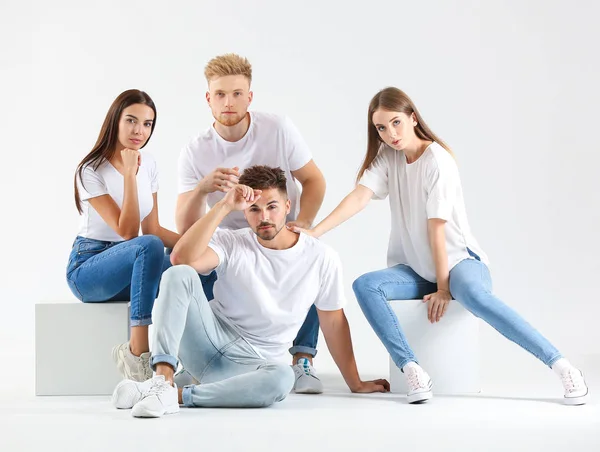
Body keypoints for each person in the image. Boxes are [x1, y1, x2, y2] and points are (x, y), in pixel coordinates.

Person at [292, 87, 590, 406]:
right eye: (381, 127)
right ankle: (412, 369)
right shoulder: (388, 158)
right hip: (418, 269)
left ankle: (561, 366)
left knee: (474, 295)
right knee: (366, 286)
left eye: (396, 123)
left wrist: (445, 288)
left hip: (459, 263)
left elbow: (437, 228)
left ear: (412, 118)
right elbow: (359, 197)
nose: (390, 133)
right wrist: (316, 232)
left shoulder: (438, 161)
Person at [111, 165, 389, 417]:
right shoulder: (232, 242)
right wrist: (222, 206)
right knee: (179, 274)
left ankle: (176, 395)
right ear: (244, 211)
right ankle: (162, 380)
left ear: (288, 205)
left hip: (250, 364)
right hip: (207, 340)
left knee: (281, 378)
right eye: (254, 209)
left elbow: (334, 323)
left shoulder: (321, 257)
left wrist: (355, 382)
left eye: (272, 207)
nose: (264, 217)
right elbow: (180, 259)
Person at [175, 53, 327, 393]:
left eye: (237, 93)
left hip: (277, 233)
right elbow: (184, 226)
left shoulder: (278, 128)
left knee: (312, 256)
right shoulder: (195, 151)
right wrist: (203, 189)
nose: (228, 102)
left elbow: (314, 180)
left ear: (250, 96)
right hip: (229, 244)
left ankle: (302, 358)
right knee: (183, 268)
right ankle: (198, 361)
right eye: (220, 94)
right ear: (208, 98)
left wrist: (302, 224)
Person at [66, 89, 180, 382]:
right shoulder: (90, 169)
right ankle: (137, 354)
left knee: (192, 268)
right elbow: (129, 232)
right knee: (148, 246)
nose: (139, 131)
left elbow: (152, 229)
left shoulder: (150, 163)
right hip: (89, 270)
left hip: (134, 267)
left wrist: (199, 245)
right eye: (131, 120)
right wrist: (129, 174)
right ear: (115, 120)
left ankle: (191, 357)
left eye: (147, 124)